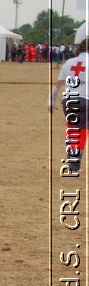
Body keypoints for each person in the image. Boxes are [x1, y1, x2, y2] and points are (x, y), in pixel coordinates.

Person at [51, 24, 88, 177]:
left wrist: (51, 100)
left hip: (69, 100)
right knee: (82, 131)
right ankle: (74, 162)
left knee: (74, 130)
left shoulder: (69, 63)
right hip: (86, 100)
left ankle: (73, 162)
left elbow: (58, 84)